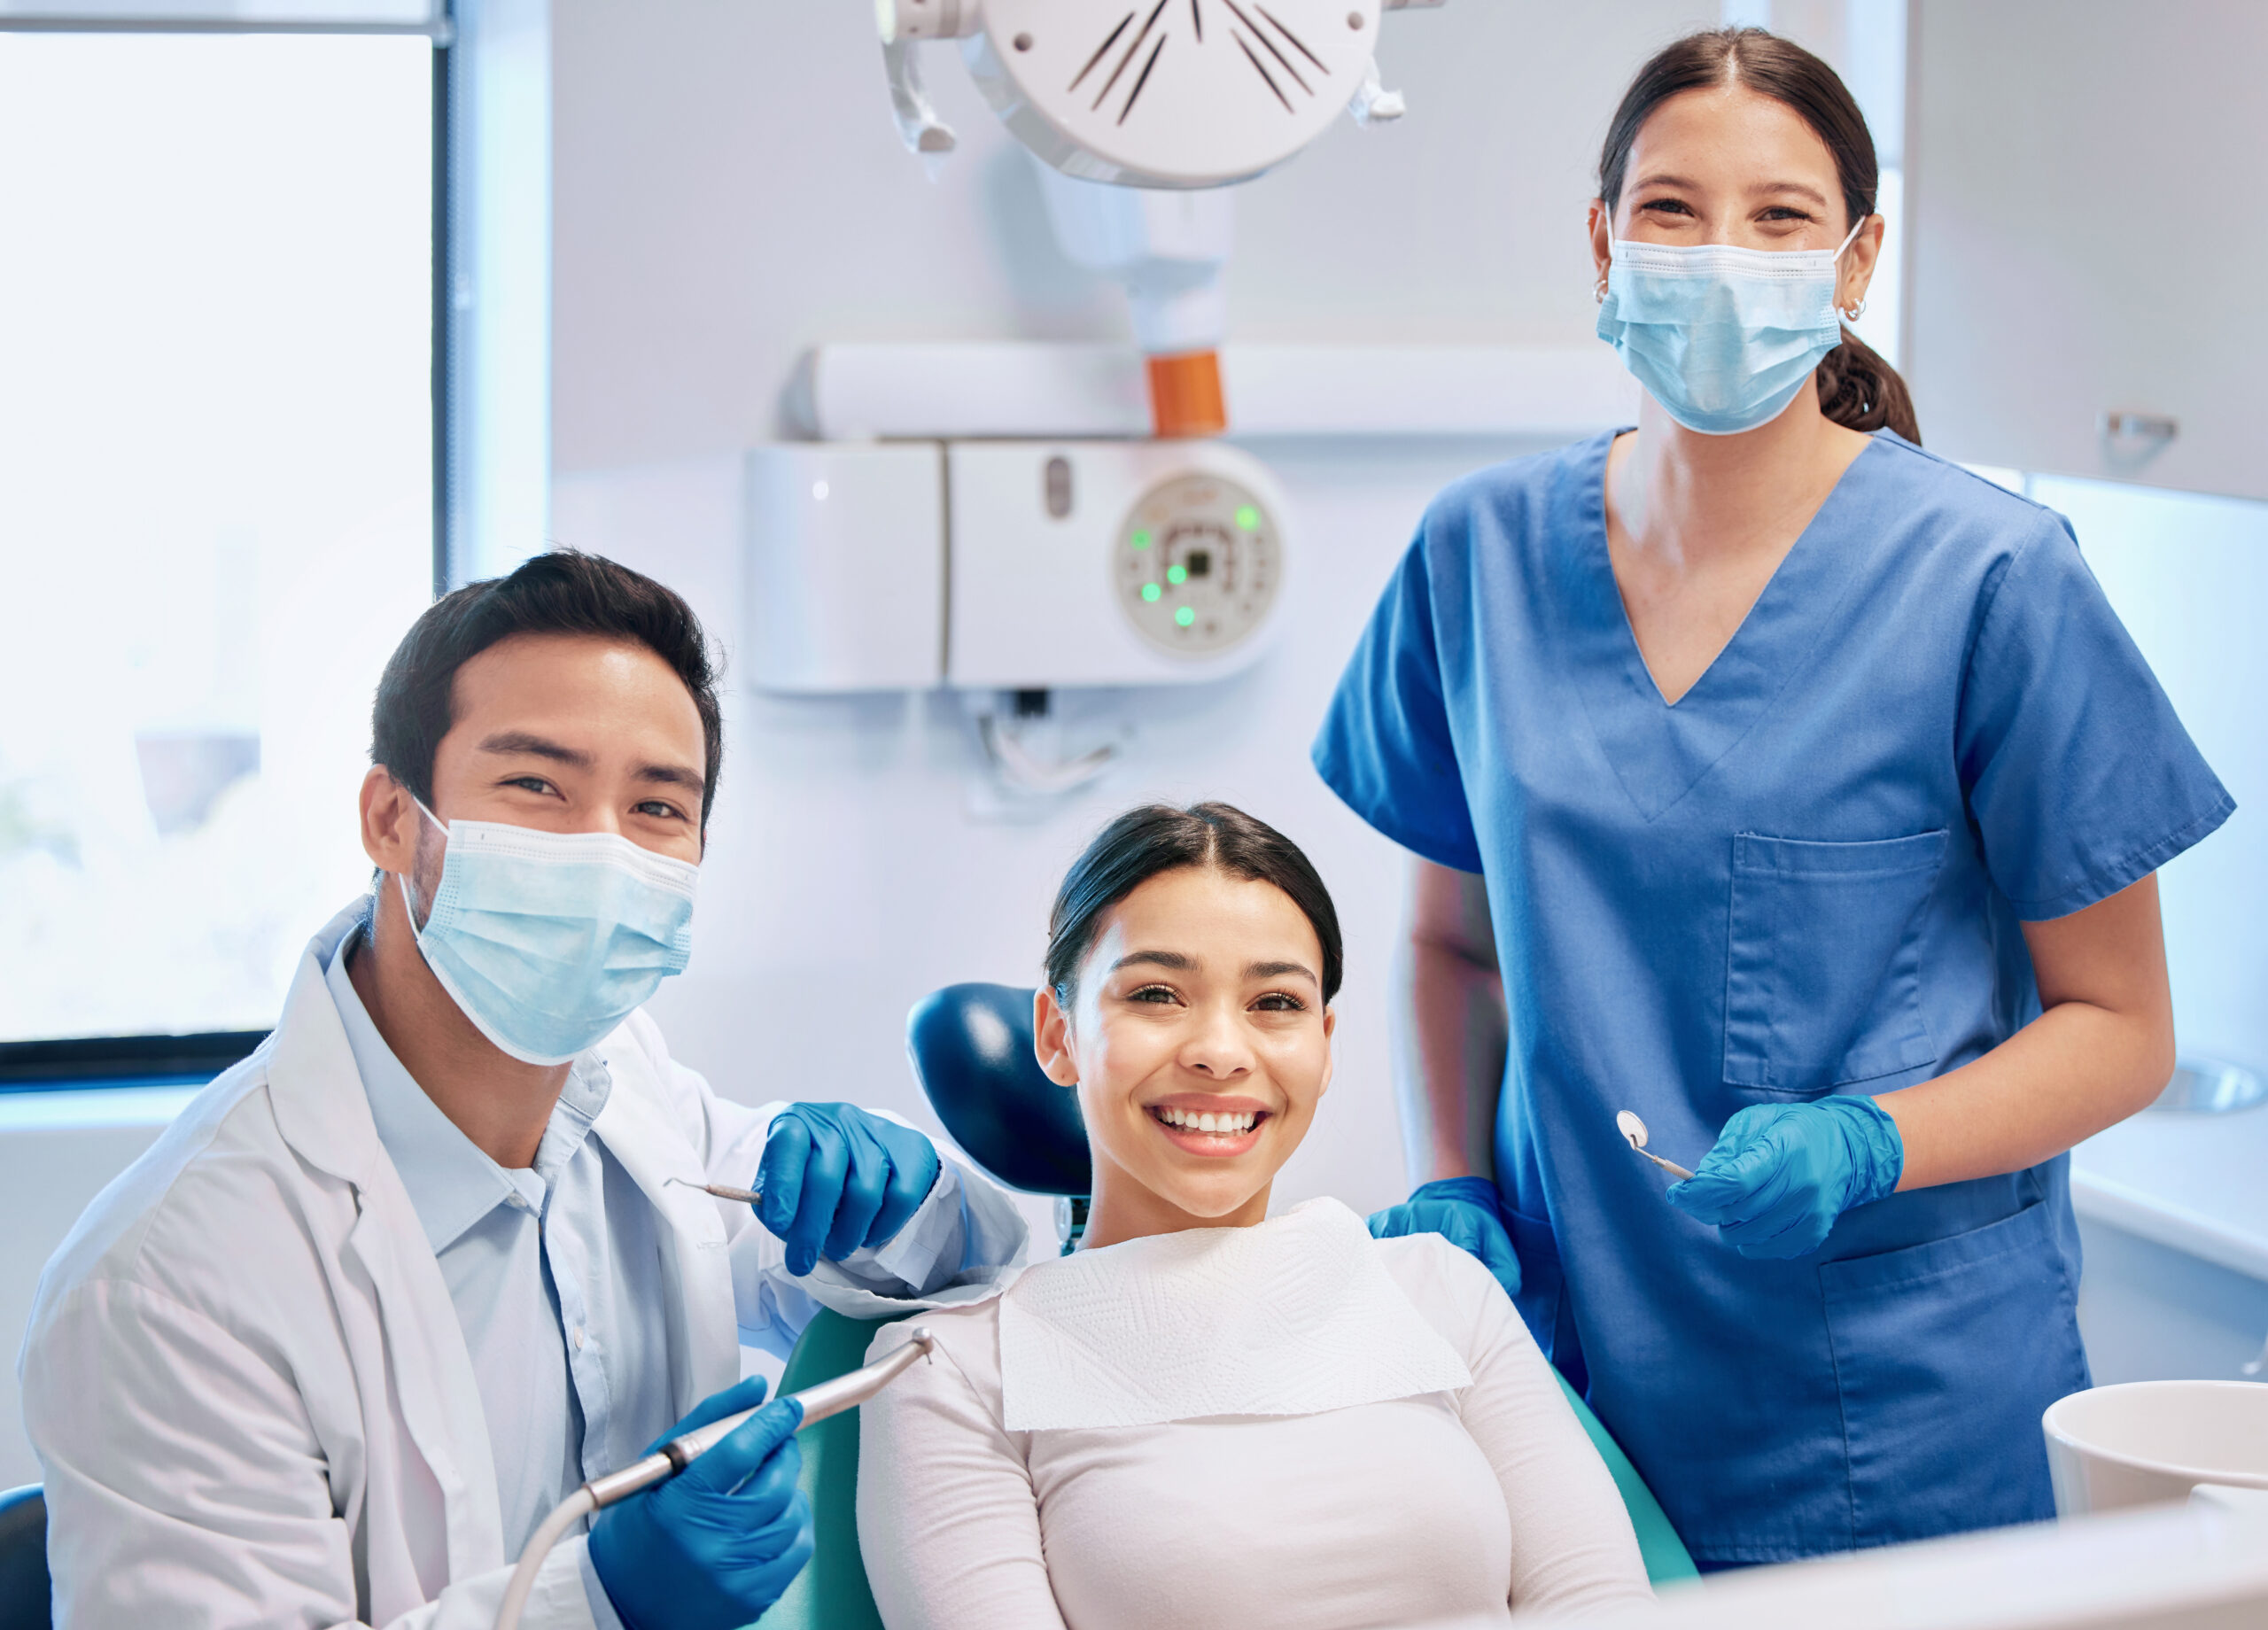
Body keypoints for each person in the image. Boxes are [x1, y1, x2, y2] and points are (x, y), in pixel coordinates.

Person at [1325, 24, 2233, 1569]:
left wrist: (1869, 1142)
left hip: (1898, 1406)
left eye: (1780, 217)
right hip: (1566, 1373)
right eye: (1672, 210)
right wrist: (1454, 1181)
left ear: (1857, 259)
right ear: (1602, 239)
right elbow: (1449, 948)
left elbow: (2121, 1030)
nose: (1720, 257)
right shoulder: (1475, 556)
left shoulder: (1992, 583)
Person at [19, 552, 1027, 1629]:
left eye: (654, 806)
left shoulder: (623, 1087)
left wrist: (917, 1203)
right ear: (390, 819)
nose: (601, 848)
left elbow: (938, 1272)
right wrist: (595, 1599)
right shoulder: (168, 1282)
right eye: (537, 784)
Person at [858, 803, 1655, 1629]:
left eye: (1275, 1003)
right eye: (1158, 994)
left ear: (1324, 1041)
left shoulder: (1441, 1293)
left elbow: (1600, 1606)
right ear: (1058, 1034)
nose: (1221, 1051)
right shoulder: (950, 1371)